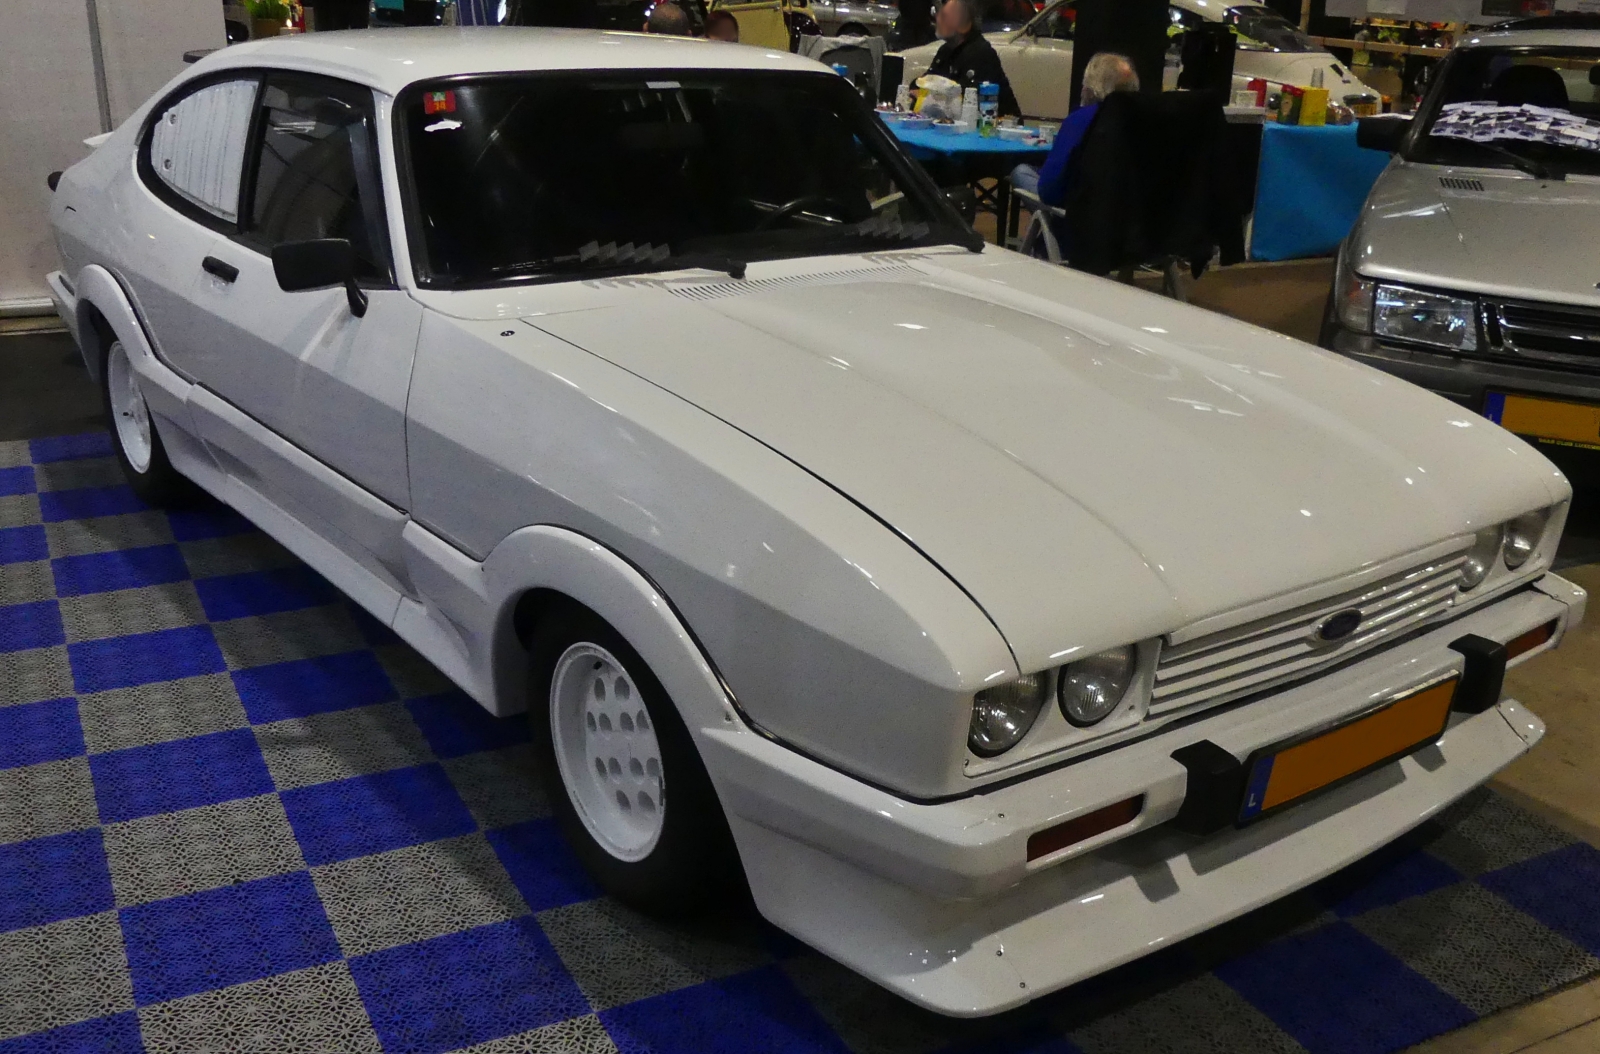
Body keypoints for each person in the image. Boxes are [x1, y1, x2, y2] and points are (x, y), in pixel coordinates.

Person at [1011, 51, 1138, 209]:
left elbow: (1049, 190)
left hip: (1077, 218)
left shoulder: (1080, 120)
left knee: (1021, 171)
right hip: (1127, 220)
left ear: (1092, 87)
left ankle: (1045, 231)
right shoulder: (1143, 121)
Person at [925, 0, 1019, 116]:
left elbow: (968, 99)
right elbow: (924, 81)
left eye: (946, 17)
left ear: (965, 25)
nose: (938, 19)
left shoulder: (981, 53)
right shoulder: (945, 51)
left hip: (990, 128)